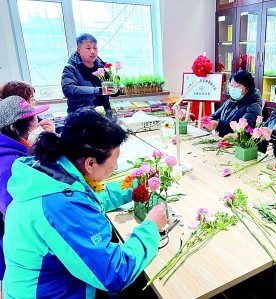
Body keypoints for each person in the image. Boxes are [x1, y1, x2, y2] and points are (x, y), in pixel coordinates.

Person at [3, 109, 167, 298]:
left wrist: (136, 185)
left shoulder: (52, 173)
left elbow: (92, 198)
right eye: (115, 159)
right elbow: (114, 273)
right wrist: (151, 227)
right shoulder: (62, 204)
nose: (116, 166)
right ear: (91, 164)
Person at [0, 96, 50, 281]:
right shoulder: (9, 168)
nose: (37, 124)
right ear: (16, 128)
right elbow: (19, 216)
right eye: (33, 119)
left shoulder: (14, 151)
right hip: (27, 260)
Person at [61, 33, 116, 117]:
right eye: (88, 48)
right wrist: (99, 90)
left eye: (95, 48)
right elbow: (69, 90)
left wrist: (114, 89)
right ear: (79, 50)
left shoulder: (102, 67)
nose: (92, 51)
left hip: (103, 116)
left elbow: (109, 90)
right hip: (81, 118)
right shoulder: (71, 68)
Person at [205, 70, 262, 137]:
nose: (233, 88)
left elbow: (246, 130)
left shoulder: (254, 106)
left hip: (238, 144)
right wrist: (208, 122)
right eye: (231, 85)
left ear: (247, 89)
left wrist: (218, 125)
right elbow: (215, 116)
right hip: (224, 139)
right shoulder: (230, 101)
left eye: (237, 86)